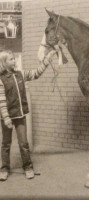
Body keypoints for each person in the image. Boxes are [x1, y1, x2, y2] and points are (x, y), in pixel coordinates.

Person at [0, 49, 55, 181]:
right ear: (4, 62)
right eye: (11, 59)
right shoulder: (1, 80)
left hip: (20, 115)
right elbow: (1, 100)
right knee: (6, 143)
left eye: (14, 58)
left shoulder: (20, 74)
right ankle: (4, 168)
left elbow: (36, 74)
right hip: (7, 117)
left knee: (24, 143)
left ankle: (28, 167)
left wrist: (47, 60)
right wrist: (6, 117)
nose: (14, 60)